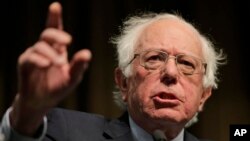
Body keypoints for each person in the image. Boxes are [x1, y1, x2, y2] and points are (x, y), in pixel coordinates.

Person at [0, 1, 226, 141]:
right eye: (155, 58)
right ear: (124, 82)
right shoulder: (65, 130)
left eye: (187, 63)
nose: (170, 72)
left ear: (204, 96)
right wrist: (28, 111)